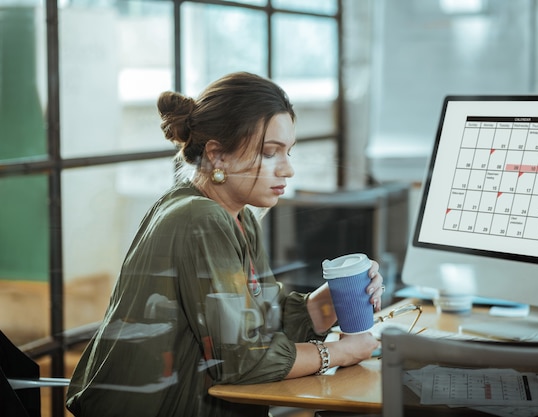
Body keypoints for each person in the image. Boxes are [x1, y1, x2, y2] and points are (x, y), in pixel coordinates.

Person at [66, 72, 383, 417]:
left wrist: (329, 303)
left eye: (288, 152)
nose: (288, 170)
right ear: (217, 155)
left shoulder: (238, 217)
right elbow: (244, 360)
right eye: (269, 153)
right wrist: (340, 352)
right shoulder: (200, 218)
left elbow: (257, 319)